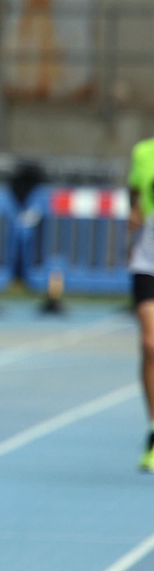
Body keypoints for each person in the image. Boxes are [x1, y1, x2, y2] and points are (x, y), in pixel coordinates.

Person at [125, 136, 154, 471]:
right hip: (148, 262)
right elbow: (134, 192)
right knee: (150, 344)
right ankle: (153, 431)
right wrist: (133, 211)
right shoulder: (144, 153)